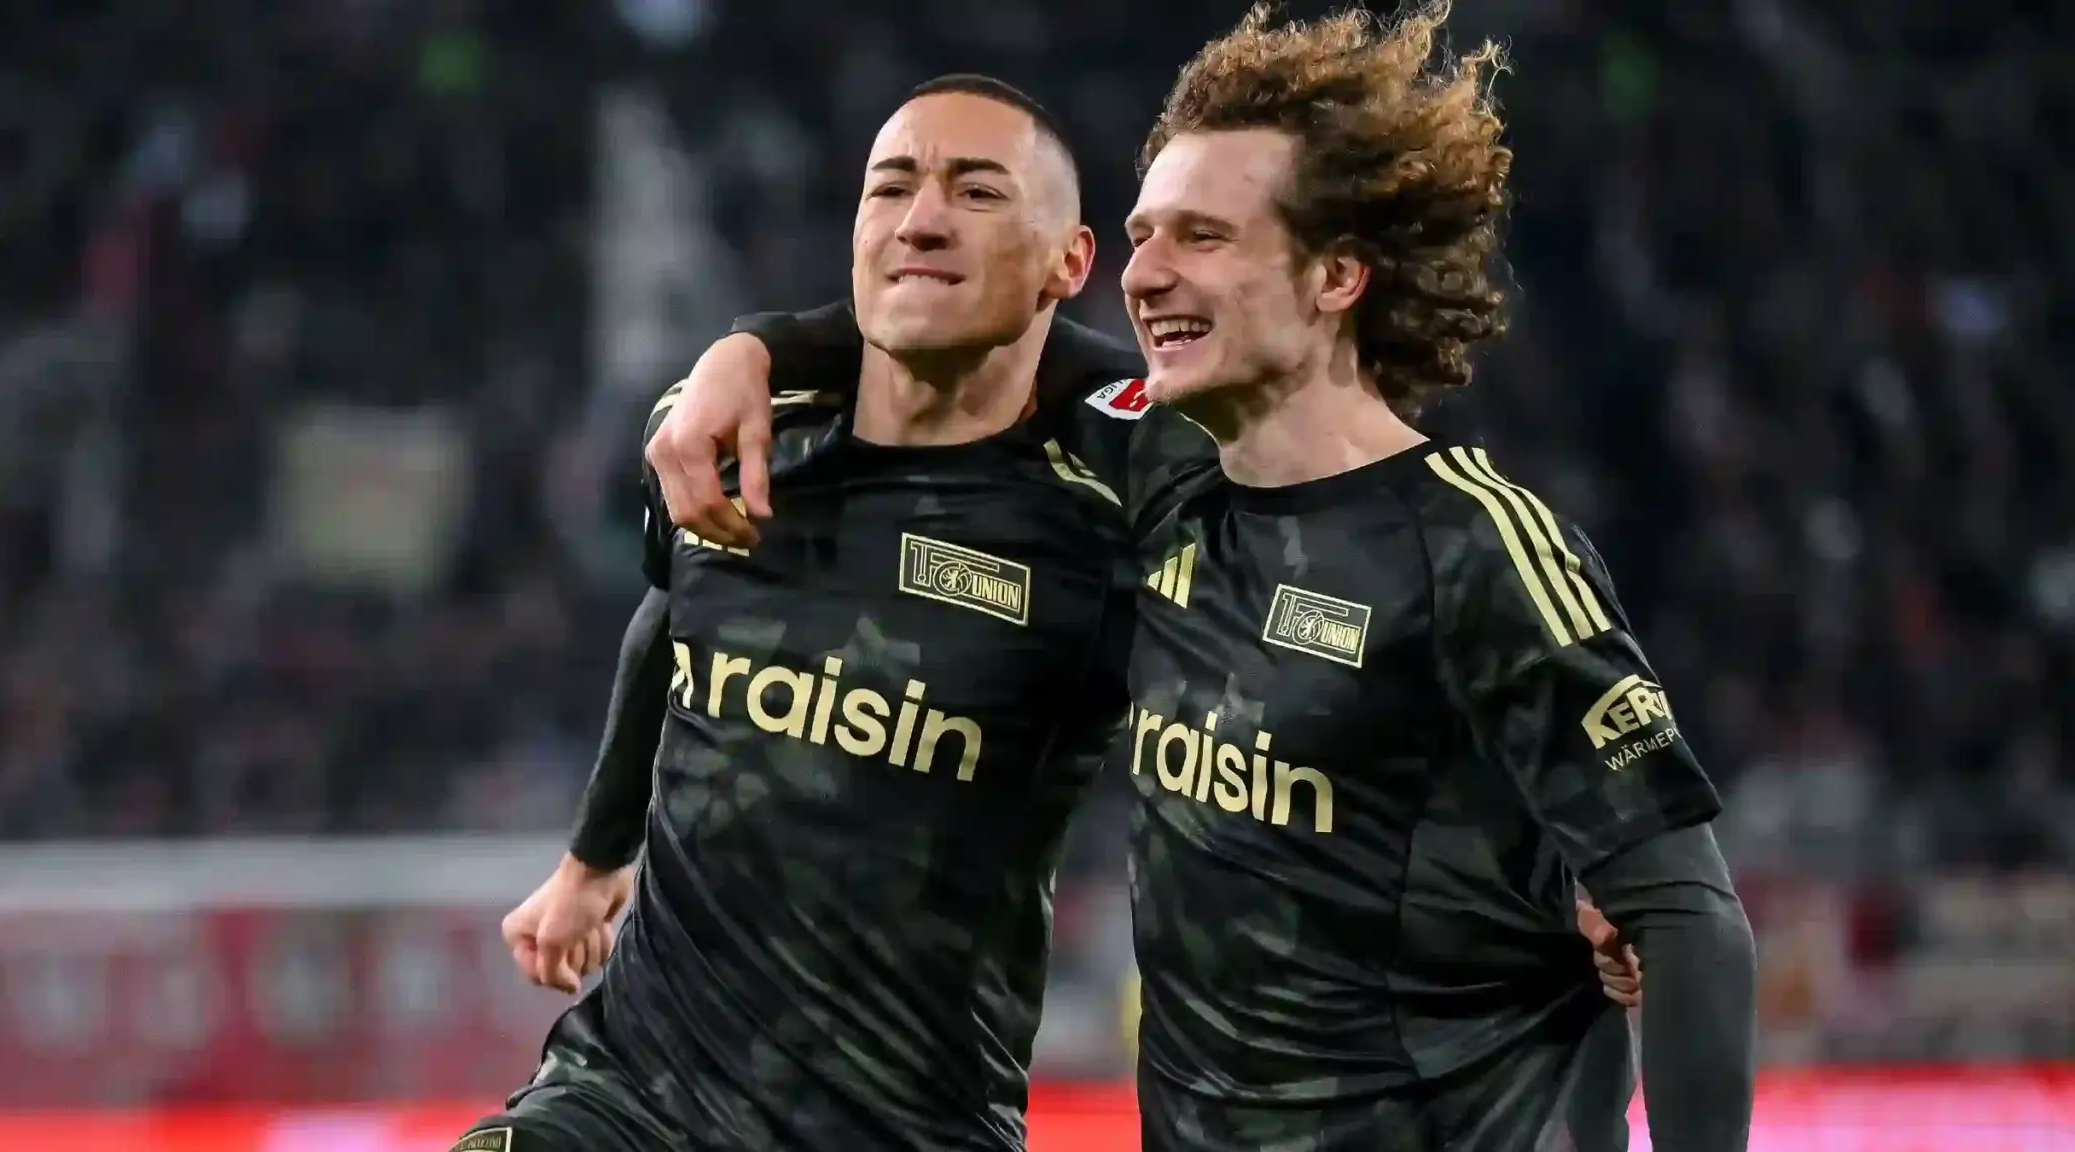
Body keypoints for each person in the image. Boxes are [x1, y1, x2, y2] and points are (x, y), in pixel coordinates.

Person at [632, 5, 1756, 1152]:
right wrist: (757, 347)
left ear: (1335, 277)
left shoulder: (1477, 550)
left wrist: (1582, 886)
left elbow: (1685, 913)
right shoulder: (1152, 502)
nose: (1144, 275)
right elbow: (966, 338)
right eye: (1142, 234)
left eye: (1202, 239)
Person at [457, 74, 1140, 1152]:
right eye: (892, 188)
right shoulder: (721, 437)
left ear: (1069, 261)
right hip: (627, 1098)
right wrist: (593, 857)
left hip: (900, 1125)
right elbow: (673, 612)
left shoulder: (1114, 516)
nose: (921, 218)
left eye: (977, 192)